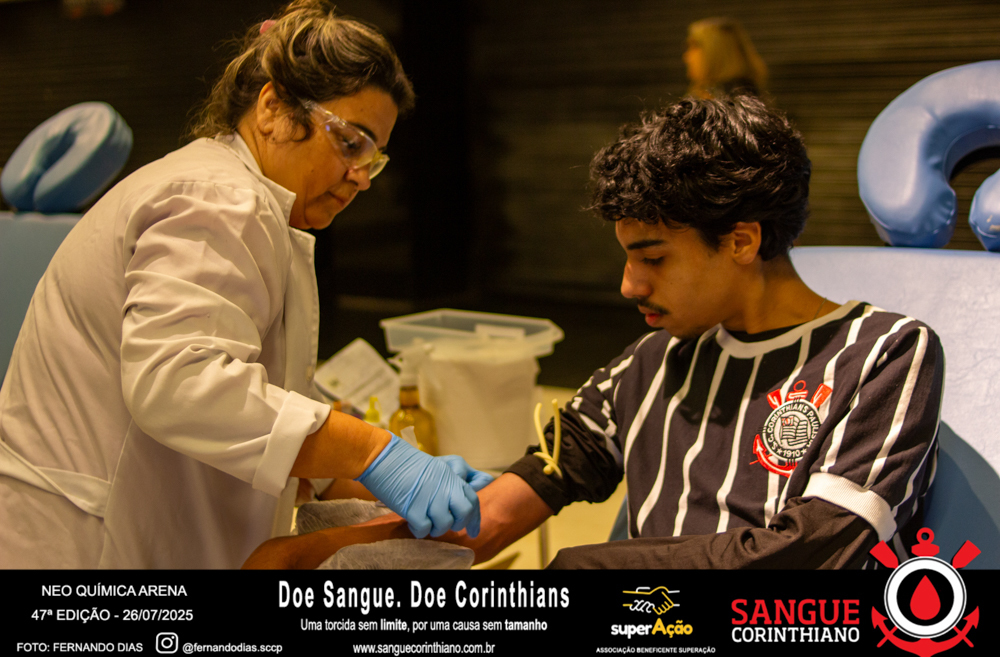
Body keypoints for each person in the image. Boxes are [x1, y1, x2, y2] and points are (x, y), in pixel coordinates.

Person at [243, 93, 943, 570]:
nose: (629, 286)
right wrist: (311, 555)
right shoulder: (652, 363)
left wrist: (591, 570)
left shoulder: (886, 353)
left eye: (653, 258)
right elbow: (496, 512)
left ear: (741, 240)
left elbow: (817, 552)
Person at [0, 0, 490, 569]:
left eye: (374, 158)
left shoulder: (242, 202)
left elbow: (254, 391)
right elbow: (180, 380)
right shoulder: (218, 199)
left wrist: (357, 472)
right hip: (83, 547)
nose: (361, 177)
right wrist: (376, 454)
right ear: (273, 108)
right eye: (350, 142)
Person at [684, 17, 768, 99]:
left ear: (716, 52)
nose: (686, 56)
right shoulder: (749, 95)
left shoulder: (722, 100)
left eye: (694, 47)